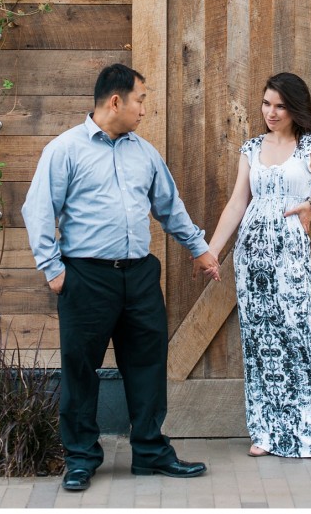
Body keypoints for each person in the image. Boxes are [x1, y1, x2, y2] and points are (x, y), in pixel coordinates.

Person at [22, 63, 220, 492]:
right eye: (141, 100)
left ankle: (150, 452)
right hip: (86, 277)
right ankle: (80, 458)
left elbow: (169, 206)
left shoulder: (144, 153)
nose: (144, 110)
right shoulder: (65, 150)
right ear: (116, 101)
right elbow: (37, 211)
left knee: (148, 364)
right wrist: (54, 272)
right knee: (81, 369)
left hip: (140, 275)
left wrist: (199, 250)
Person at [207, 72, 311, 468]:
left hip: (289, 255)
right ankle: (267, 431)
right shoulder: (251, 147)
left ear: (295, 108)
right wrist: (210, 252)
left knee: (303, 336)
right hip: (251, 256)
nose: (271, 113)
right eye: (266, 104)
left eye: (279, 105)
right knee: (260, 341)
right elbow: (236, 204)